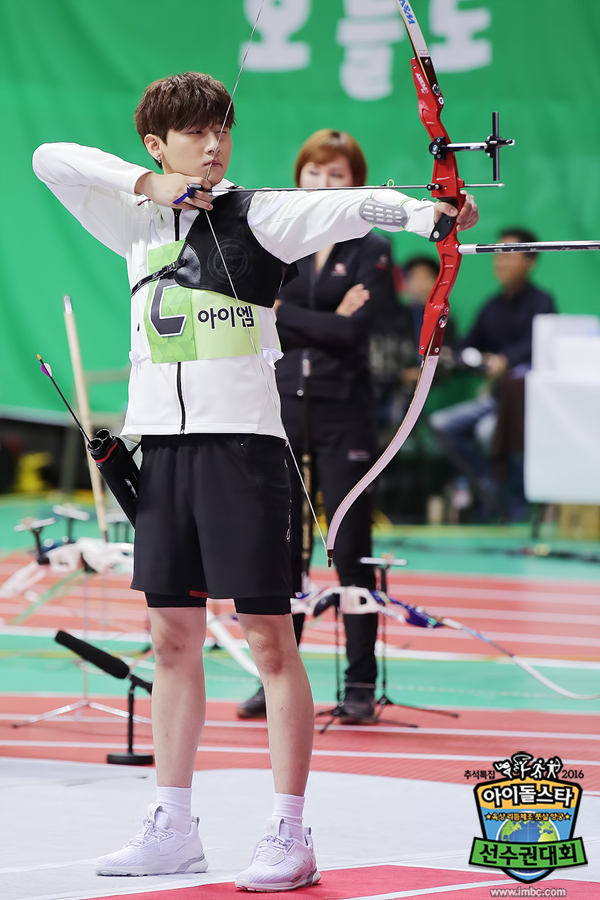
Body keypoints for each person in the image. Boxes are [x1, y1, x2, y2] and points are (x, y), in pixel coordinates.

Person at [33, 72, 478, 891]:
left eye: (221, 130)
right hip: (161, 453)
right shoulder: (132, 220)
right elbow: (47, 158)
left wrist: (429, 213)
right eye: (194, 134)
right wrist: (147, 185)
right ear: (159, 147)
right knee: (172, 639)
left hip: (244, 452)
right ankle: (172, 822)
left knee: (271, 640)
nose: (212, 146)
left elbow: (352, 206)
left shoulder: (259, 215)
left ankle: (290, 832)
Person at [237, 129, 396, 726]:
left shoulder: (370, 248)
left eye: (338, 176)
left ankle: (360, 682)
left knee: (351, 548)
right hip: (279, 406)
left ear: (354, 184)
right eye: (314, 174)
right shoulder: (278, 245)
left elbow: (354, 334)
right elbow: (261, 319)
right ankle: (277, 679)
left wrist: (291, 315)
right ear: (297, 177)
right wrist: (321, 316)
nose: (324, 186)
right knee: (283, 551)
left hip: (343, 413)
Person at [429, 228, 555, 520]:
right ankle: (487, 484)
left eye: (510, 254)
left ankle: (515, 503)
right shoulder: (492, 306)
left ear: (530, 261)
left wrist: (504, 361)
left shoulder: (542, 302)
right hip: (493, 399)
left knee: (489, 432)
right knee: (442, 424)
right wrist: (457, 356)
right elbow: (468, 345)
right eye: (497, 255)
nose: (501, 262)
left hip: (524, 403)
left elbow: (536, 347)